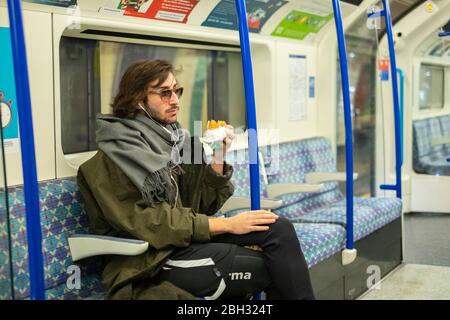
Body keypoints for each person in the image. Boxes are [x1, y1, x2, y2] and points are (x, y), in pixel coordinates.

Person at [77, 59, 315, 300]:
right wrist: (228, 224)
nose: (175, 100)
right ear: (138, 100)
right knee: (271, 267)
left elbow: (200, 207)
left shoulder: (179, 140)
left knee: (277, 229)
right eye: (164, 93)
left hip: (183, 240)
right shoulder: (113, 158)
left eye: (176, 90)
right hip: (148, 259)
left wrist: (219, 156)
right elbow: (150, 224)